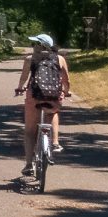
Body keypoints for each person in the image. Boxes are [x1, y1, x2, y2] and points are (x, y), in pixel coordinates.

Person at [14, 33, 70, 176]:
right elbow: (66, 81)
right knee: (53, 111)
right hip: (54, 95)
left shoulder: (30, 59)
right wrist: (65, 92)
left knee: (29, 131)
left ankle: (28, 164)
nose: (33, 47)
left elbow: (23, 78)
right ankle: (55, 142)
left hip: (34, 95)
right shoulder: (60, 59)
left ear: (40, 46)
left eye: (35, 44)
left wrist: (20, 88)